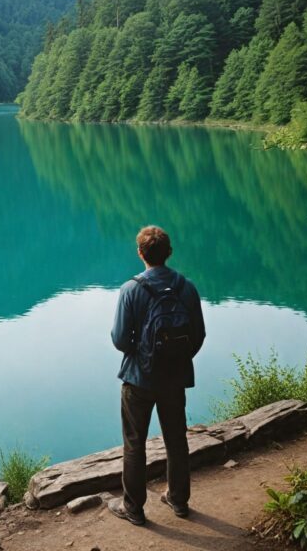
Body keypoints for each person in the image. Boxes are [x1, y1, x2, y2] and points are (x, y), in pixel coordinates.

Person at [107, 225, 205, 526]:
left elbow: (120, 340)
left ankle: (134, 509)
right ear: (169, 253)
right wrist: (176, 358)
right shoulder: (186, 287)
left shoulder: (131, 289)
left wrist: (144, 354)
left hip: (139, 379)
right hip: (175, 379)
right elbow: (198, 335)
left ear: (140, 253)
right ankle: (178, 499)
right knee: (176, 439)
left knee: (134, 443)